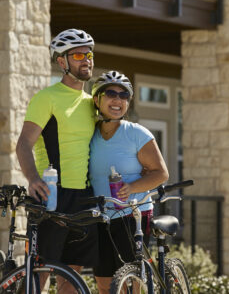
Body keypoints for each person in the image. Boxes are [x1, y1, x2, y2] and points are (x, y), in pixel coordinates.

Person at [16, 28, 98, 291]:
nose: (86, 59)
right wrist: (32, 178)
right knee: (40, 271)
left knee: (72, 275)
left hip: (84, 197)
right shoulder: (46, 98)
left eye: (89, 53)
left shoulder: (93, 103)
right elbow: (24, 143)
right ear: (61, 62)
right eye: (77, 54)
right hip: (52, 195)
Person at [89, 70, 169, 293]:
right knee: (104, 283)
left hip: (132, 214)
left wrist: (132, 187)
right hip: (101, 216)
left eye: (124, 95)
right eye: (111, 93)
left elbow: (161, 173)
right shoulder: (90, 134)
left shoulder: (136, 133)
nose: (118, 100)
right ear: (97, 99)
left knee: (129, 282)